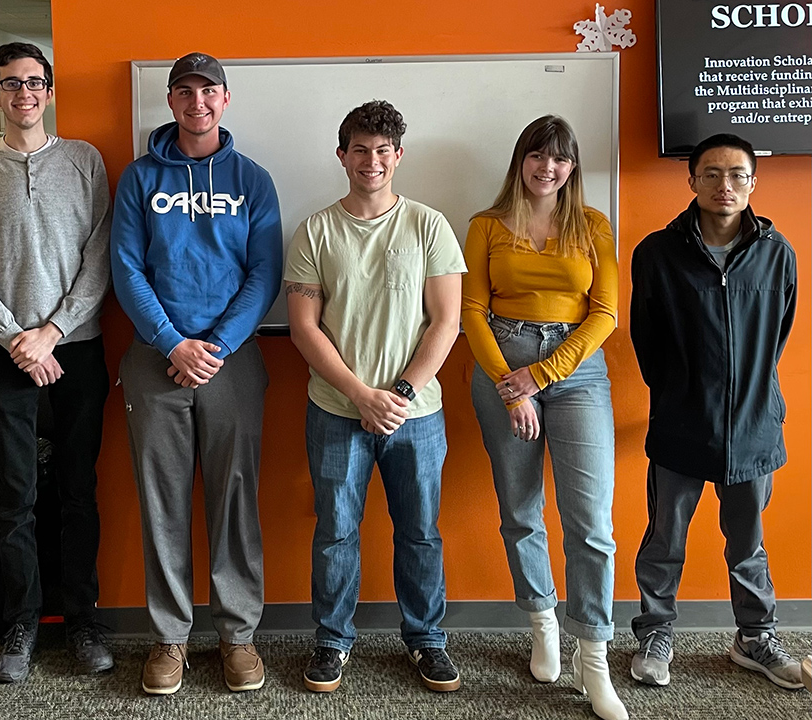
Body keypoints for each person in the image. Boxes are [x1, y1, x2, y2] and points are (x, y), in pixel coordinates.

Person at [110, 52, 282, 695]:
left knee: (235, 500)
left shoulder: (252, 179)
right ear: (171, 100)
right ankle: (170, 639)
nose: (197, 102)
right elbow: (127, 268)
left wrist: (214, 345)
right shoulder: (139, 178)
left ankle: (238, 636)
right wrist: (172, 343)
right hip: (156, 361)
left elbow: (264, 272)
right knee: (162, 504)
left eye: (208, 90)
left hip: (232, 362)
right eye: (185, 91)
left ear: (226, 99)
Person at [0, 43, 114, 682]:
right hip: (5, 353)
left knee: (78, 488)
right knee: (15, 492)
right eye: (10, 84)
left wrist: (54, 330)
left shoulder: (84, 162)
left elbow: (101, 254)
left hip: (78, 350)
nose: (24, 94)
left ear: (49, 90)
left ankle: (83, 619)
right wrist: (19, 338)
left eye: (34, 82)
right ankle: (22, 620)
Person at [285, 100, 466, 694]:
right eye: (360, 149)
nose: (372, 160)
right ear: (342, 156)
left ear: (399, 156)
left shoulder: (428, 225)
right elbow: (304, 328)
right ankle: (333, 641)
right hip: (337, 410)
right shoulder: (315, 229)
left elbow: (445, 322)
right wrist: (363, 395)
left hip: (417, 415)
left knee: (421, 531)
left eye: (384, 150)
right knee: (336, 529)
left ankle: (427, 642)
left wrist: (401, 393)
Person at [462, 116, 626, 720]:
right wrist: (513, 388)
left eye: (559, 159)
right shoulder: (485, 225)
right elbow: (471, 311)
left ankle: (595, 658)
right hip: (501, 365)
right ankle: (542, 624)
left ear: (573, 166)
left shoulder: (593, 226)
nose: (547, 168)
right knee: (520, 509)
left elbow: (605, 313)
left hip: (576, 373)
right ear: (520, 161)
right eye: (536, 156)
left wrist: (542, 375)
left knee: (590, 524)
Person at [629, 133, 801, 691]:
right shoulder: (656, 252)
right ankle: (655, 633)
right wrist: (683, 393)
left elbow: (777, 337)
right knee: (665, 540)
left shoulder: (778, 254)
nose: (724, 186)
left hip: (753, 426)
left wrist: (746, 391)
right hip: (681, 423)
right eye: (711, 174)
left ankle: (755, 638)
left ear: (753, 183)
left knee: (748, 542)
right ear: (692, 181)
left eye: (737, 175)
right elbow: (647, 339)